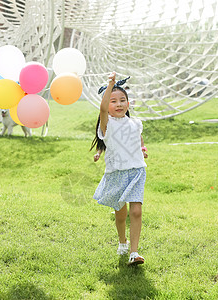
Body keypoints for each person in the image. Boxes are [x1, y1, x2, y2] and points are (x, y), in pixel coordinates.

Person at [90, 72, 148, 266]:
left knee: (137, 211)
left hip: (137, 171)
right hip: (117, 173)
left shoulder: (136, 123)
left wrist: (142, 149)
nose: (119, 104)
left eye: (123, 100)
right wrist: (110, 85)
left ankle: (134, 252)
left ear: (128, 103)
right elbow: (103, 108)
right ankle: (122, 241)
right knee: (120, 213)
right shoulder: (107, 126)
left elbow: (138, 139)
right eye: (114, 101)